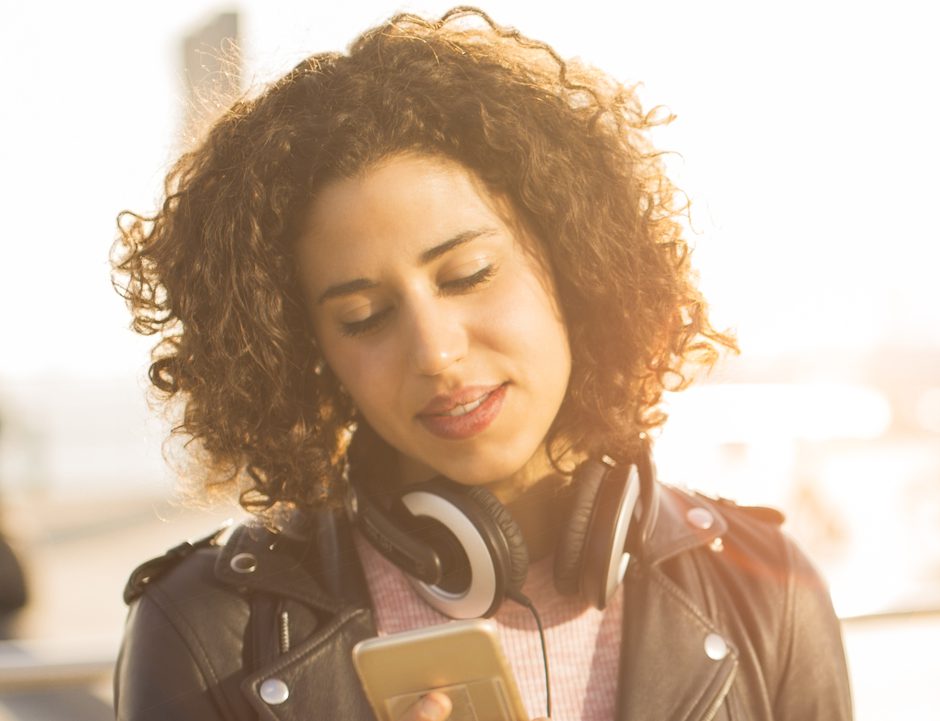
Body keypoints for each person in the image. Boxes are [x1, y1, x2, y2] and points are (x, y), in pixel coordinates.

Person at [110, 7, 852, 721]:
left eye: (467, 275)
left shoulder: (768, 593)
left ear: (573, 261)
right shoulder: (201, 629)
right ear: (309, 352)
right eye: (364, 318)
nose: (436, 352)